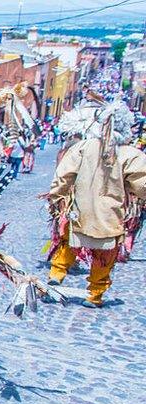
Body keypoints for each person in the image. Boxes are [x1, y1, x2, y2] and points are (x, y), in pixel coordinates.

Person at [47, 101, 146, 308]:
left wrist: (56, 196)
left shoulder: (84, 147)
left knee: (68, 243)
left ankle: (56, 276)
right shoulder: (130, 154)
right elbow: (142, 185)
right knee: (104, 256)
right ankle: (94, 294)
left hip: (80, 212)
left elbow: (63, 174)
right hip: (109, 216)